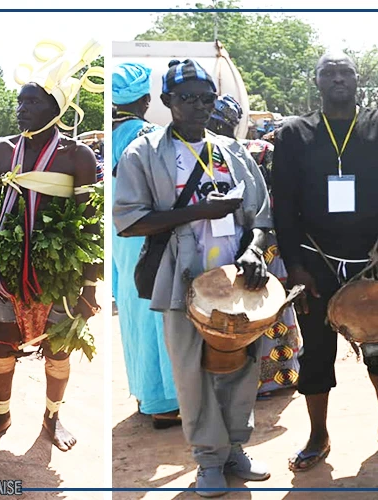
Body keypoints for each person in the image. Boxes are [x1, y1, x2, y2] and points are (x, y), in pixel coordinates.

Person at [114, 59, 274, 495]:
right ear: (167, 101)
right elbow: (129, 221)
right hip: (182, 279)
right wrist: (199, 211)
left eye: (208, 99)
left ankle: (235, 449)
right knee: (191, 371)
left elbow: (260, 216)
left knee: (241, 364)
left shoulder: (232, 151)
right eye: (189, 98)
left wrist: (255, 249)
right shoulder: (143, 153)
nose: (201, 106)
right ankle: (207, 459)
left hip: (237, 280)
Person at [275, 52, 378, 471]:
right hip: (315, 260)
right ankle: (317, 435)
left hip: (376, 256)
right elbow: (283, 204)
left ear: (357, 80)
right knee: (316, 350)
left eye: (346, 72)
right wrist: (294, 266)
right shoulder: (294, 133)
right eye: (329, 73)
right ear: (317, 81)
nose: (338, 78)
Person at [0, 39, 104, 452]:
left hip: (59, 272)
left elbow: (89, 224)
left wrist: (90, 286)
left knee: (59, 350)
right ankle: (2, 413)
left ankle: (52, 417)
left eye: (31, 102)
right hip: (7, 268)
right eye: (20, 102)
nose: (21, 109)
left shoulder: (77, 156)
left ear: (54, 109)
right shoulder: (1, 151)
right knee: (2, 346)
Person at [207, 94, 301, 398]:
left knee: (234, 309)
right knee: (270, 307)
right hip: (266, 239)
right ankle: (279, 378)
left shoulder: (201, 153)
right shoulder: (260, 150)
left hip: (224, 242)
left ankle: (240, 382)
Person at [110, 61, 181, 429]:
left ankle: (144, 393)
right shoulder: (152, 136)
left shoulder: (107, 138)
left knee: (133, 314)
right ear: (147, 99)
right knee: (159, 314)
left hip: (121, 240)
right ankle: (165, 402)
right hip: (151, 234)